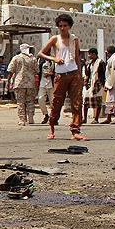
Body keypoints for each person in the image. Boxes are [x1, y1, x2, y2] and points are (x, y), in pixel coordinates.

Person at [38, 13, 88, 141]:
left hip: (73, 73)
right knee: (56, 102)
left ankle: (75, 130)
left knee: (77, 103)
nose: (62, 28)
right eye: (60, 26)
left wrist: (79, 74)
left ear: (69, 26)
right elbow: (41, 53)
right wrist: (54, 59)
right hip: (60, 75)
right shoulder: (55, 39)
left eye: (65, 25)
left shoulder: (74, 39)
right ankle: (52, 127)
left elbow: (77, 58)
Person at [7, 43, 38, 125]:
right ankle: (31, 118)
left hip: (19, 83)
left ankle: (22, 120)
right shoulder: (33, 59)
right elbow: (37, 71)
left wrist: (8, 81)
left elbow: (10, 71)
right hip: (30, 83)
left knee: (20, 102)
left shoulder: (16, 58)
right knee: (30, 101)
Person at [81, 48, 105, 124]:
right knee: (86, 102)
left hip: (97, 84)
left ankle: (96, 119)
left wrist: (100, 83)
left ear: (94, 54)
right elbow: (87, 73)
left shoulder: (100, 62)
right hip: (90, 84)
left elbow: (103, 74)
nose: (89, 56)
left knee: (98, 101)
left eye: (90, 54)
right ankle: (84, 118)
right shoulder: (90, 63)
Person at [102, 46, 115, 124]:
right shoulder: (110, 59)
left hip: (113, 83)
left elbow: (114, 72)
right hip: (109, 82)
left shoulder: (114, 59)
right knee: (108, 101)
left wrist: (111, 83)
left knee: (114, 101)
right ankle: (108, 118)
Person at [37, 56, 55, 124]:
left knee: (53, 101)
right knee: (40, 99)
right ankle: (46, 114)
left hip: (51, 84)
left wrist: (50, 74)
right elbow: (37, 71)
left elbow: (57, 72)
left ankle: (53, 116)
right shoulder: (40, 61)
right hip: (42, 83)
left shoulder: (53, 61)